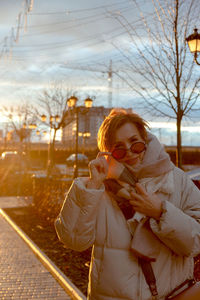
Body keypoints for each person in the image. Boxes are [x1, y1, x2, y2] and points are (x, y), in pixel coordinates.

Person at [55, 109, 200, 300]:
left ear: (145, 140)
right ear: (108, 153)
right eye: (119, 148)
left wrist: (161, 212)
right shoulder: (98, 188)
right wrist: (92, 186)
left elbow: (196, 243)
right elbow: (73, 240)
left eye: (135, 143)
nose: (130, 152)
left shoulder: (177, 180)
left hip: (170, 294)